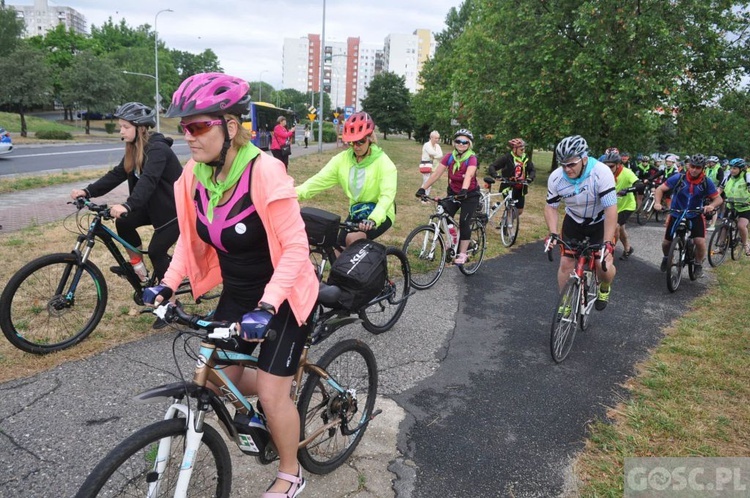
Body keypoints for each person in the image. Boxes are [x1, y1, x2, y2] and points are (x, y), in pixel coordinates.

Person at [155, 72, 318, 498]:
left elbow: (298, 248)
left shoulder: (265, 172)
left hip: (282, 296)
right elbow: (188, 246)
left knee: (269, 389)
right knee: (211, 373)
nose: (187, 137)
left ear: (230, 126)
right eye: (182, 127)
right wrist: (166, 287)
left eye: (197, 126)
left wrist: (266, 307)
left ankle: (290, 473)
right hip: (240, 293)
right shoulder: (195, 175)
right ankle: (275, 396)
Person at [69, 102, 182, 327]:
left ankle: (172, 305)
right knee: (124, 223)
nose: (120, 131)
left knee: (157, 251)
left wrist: (128, 205)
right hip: (152, 207)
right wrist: (88, 191)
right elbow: (116, 174)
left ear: (140, 128)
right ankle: (136, 267)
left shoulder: (158, 150)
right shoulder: (133, 149)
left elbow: (148, 181)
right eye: (120, 126)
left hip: (175, 210)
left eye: (124, 126)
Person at [296, 111, 397, 248]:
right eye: (352, 142)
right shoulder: (342, 160)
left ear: (370, 138)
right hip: (357, 211)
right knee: (337, 250)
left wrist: (373, 219)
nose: (356, 146)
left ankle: (366, 268)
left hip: (381, 212)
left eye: (361, 141)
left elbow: (387, 196)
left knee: (353, 240)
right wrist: (292, 195)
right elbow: (317, 181)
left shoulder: (384, 163)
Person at [544, 135, 617, 310]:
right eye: (563, 165)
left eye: (571, 164)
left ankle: (605, 287)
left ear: (584, 159)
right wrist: (553, 233)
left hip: (599, 222)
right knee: (565, 263)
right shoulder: (556, 178)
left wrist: (607, 242)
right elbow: (550, 207)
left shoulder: (601, 172)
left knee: (603, 265)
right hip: (574, 221)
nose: (567, 169)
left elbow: (610, 209)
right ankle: (565, 303)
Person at [653, 153, 723, 278]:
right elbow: (660, 189)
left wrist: (711, 206)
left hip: (695, 214)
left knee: (700, 242)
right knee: (666, 243)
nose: (694, 170)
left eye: (698, 167)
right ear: (689, 166)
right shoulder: (679, 178)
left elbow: (718, 199)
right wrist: (657, 203)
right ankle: (666, 257)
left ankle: (698, 264)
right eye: (692, 166)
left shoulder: (706, 182)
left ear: (703, 168)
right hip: (676, 213)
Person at [417, 129, 480, 265]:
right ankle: (453, 238)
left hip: (469, 194)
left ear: (469, 144)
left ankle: (463, 253)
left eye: (465, 142)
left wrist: (464, 190)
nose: (461, 144)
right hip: (454, 193)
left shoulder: (472, 158)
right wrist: (423, 188)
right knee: (444, 213)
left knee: (464, 222)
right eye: (458, 141)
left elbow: (469, 175)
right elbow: (436, 174)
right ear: (454, 142)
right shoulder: (449, 157)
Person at [602, 151, 641, 260]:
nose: (608, 169)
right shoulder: (604, 174)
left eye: (611, 166)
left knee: (615, 227)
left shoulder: (627, 172)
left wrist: (628, 190)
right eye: (606, 166)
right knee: (621, 229)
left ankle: (610, 251)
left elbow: (640, 185)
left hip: (626, 205)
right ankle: (628, 249)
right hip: (611, 206)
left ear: (618, 165)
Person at [487, 137, 536, 218]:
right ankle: (507, 226)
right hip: (508, 187)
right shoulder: (507, 158)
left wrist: (530, 178)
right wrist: (496, 175)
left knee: (519, 211)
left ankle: (506, 220)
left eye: (524, 149)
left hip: (521, 187)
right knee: (510, 208)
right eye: (521, 149)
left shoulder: (525, 158)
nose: (523, 151)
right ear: (514, 149)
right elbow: (492, 166)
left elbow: (532, 170)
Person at [721, 158, 750, 255]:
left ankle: (746, 244)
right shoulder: (728, 176)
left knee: (741, 226)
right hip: (731, 205)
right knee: (724, 225)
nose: (732, 170)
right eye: (731, 168)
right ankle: (721, 246)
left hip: (744, 206)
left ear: (741, 169)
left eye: (735, 168)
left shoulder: (747, 177)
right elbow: (720, 189)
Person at [419, 130, 443, 199]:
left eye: (438, 138)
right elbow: (431, 152)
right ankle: (422, 196)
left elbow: (440, 155)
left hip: (434, 165)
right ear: (431, 137)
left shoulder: (437, 146)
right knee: (426, 181)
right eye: (435, 138)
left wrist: (434, 156)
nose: (437, 140)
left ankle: (426, 196)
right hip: (426, 165)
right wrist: (436, 155)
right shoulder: (427, 145)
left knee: (431, 181)